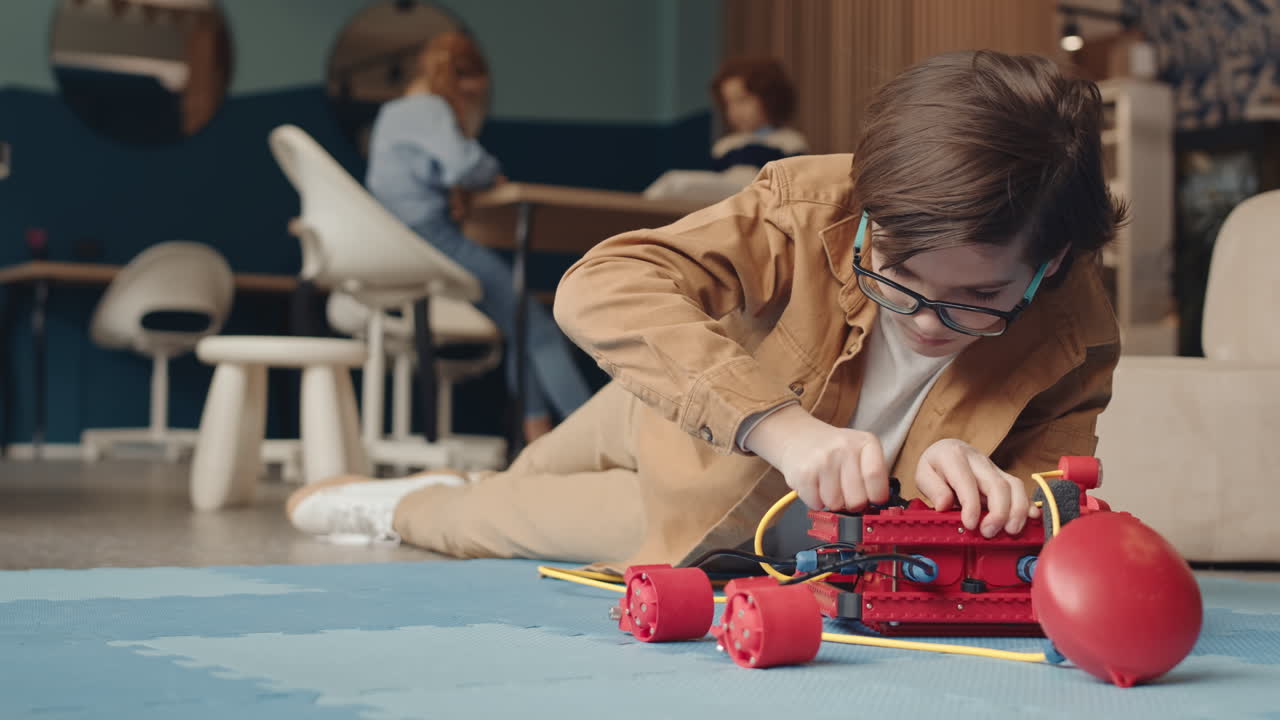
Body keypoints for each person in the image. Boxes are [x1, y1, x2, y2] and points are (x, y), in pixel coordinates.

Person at [287, 50, 1126, 571]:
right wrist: (783, 427)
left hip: (712, 509)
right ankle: (470, 479)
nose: (931, 322)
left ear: (1049, 263)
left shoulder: (1077, 329)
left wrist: (998, 494)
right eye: (898, 273)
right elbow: (603, 284)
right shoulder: (812, 202)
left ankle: (393, 505)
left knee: (486, 520)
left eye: (979, 299)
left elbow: (1049, 503)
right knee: (522, 471)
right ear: (869, 215)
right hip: (671, 401)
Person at [364, 30, 593, 443]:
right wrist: (492, 170)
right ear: (459, 83)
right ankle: (599, 439)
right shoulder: (430, 108)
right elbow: (462, 165)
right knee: (538, 327)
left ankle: (537, 435)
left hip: (402, 244)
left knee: (520, 325)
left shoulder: (391, 113)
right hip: (431, 237)